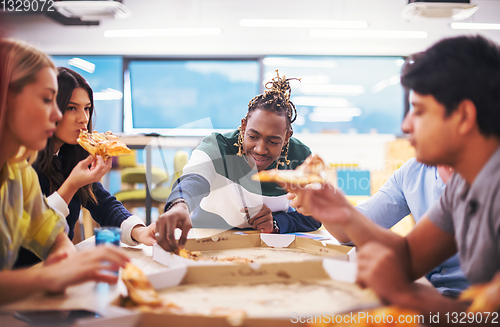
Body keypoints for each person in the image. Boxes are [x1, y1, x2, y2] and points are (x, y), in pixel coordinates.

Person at [288, 35, 500, 321]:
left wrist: (410, 295)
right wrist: (342, 212)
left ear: (463, 116)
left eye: (420, 110)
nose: (406, 125)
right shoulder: (463, 185)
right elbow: (410, 256)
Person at [0, 38, 129, 305]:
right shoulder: (29, 165)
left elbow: (48, 230)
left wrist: (63, 255)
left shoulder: (18, 169)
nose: (55, 115)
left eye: (87, 109)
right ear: (6, 99)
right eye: (48, 101)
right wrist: (53, 275)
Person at [155, 71, 321, 251]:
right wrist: (179, 205)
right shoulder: (218, 146)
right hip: (208, 240)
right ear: (243, 126)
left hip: (265, 247)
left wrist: (277, 222)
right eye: (253, 136)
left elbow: (316, 215)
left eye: (273, 141)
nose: (260, 149)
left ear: (287, 136)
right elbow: (194, 179)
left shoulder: (300, 156)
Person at [14, 67, 156, 268]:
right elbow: (28, 237)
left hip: (59, 270)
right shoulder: (21, 162)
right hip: (23, 278)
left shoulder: (69, 156)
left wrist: (140, 231)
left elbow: (103, 203)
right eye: (72, 108)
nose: (83, 119)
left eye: (87, 108)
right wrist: (72, 185)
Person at [327, 158, 469, 297]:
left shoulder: (485, 178)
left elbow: (408, 256)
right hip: (432, 296)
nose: (406, 132)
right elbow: (407, 252)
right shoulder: (413, 171)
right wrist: (328, 208)